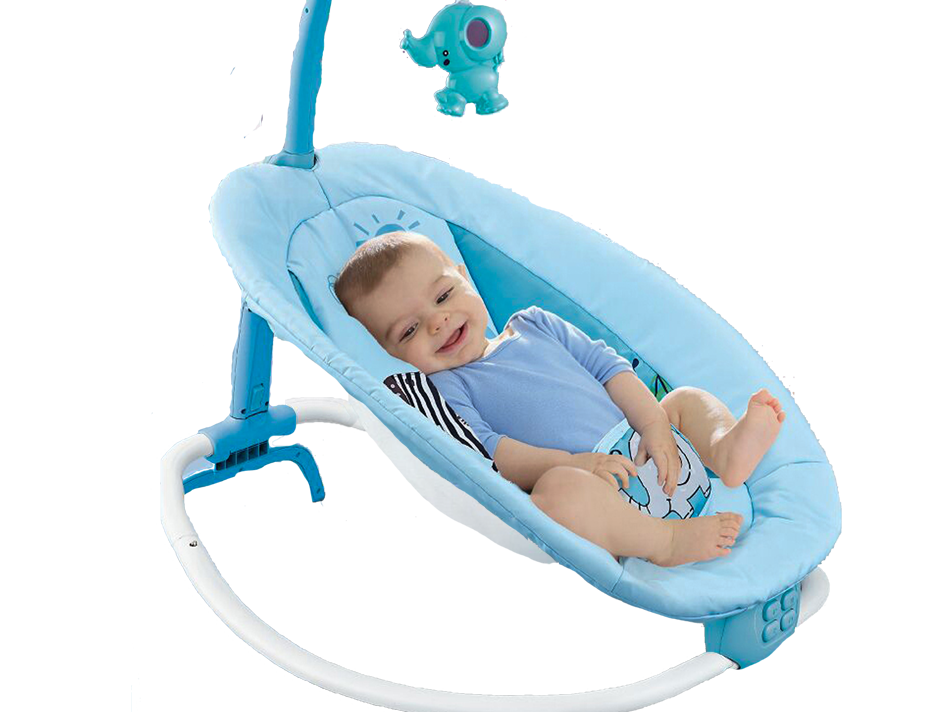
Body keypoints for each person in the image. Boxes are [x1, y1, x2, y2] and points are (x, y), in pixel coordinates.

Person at [335, 232, 786, 567]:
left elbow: (611, 370)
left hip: (649, 445)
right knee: (555, 496)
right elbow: (495, 453)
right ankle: (664, 543)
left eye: (443, 295)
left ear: (463, 276)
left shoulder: (535, 324)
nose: (438, 321)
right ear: (392, 352)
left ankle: (724, 450)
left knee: (683, 399)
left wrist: (655, 426)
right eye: (409, 330)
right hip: (604, 493)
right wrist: (573, 464)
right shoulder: (446, 389)